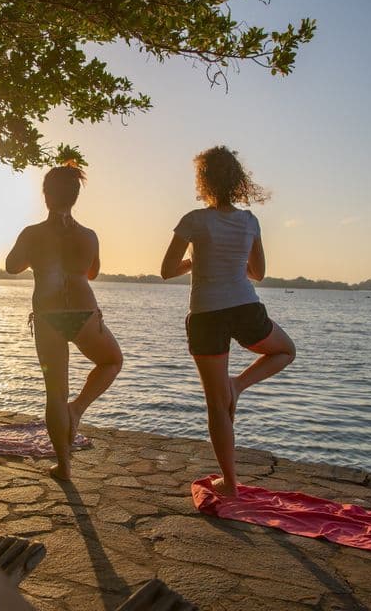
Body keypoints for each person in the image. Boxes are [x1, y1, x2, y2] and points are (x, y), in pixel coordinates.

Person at [161, 146, 295, 497]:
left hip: (206, 313)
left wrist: (194, 261)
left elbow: (165, 271)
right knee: (285, 351)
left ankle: (231, 483)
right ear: (238, 180)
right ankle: (240, 385)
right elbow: (259, 273)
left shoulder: (193, 220)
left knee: (216, 404)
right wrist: (235, 262)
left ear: (203, 179)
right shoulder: (249, 221)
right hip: (244, 306)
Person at [6, 164, 123, 481]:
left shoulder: (32, 234)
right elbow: (93, 273)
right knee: (112, 360)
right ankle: (79, 408)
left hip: (48, 316)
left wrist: (39, 254)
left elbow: (11, 266)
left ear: (46, 196)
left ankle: (65, 466)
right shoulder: (89, 236)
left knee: (55, 392)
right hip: (85, 313)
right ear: (74, 197)